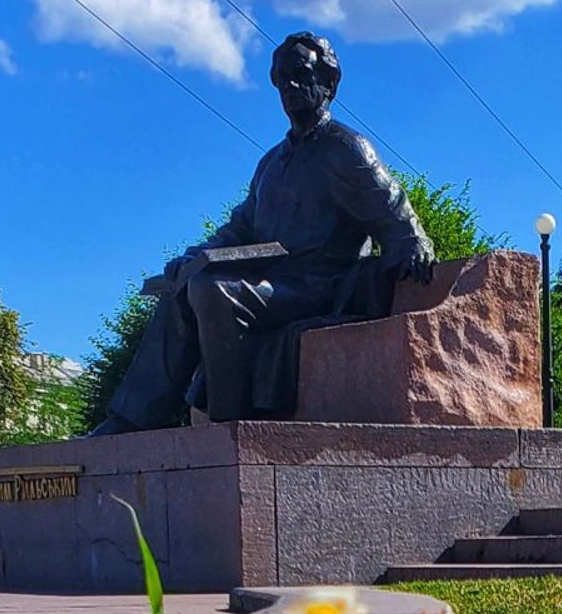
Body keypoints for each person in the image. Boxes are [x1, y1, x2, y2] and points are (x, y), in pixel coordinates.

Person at [90, 32, 435, 435]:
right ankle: (131, 418)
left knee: (215, 292)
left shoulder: (346, 148)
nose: (290, 86)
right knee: (186, 285)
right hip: (274, 283)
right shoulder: (271, 162)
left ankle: (229, 424)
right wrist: (193, 256)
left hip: (320, 286)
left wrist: (414, 243)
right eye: (282, 78)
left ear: (329, 84)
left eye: (301, 75)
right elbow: (239, 227)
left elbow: (393, 209)